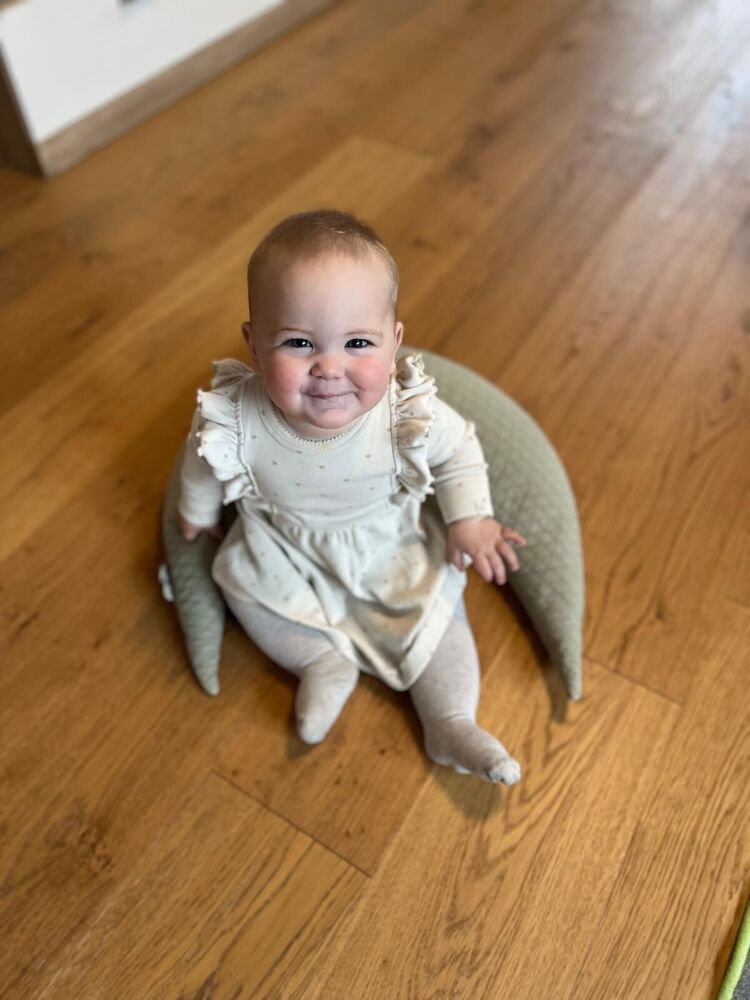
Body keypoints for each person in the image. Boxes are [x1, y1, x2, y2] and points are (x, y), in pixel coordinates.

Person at [178, 209, 525, 784]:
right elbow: (200, 465)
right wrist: (195, 511)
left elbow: (458, 447)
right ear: (255, 346)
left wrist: (470, 518)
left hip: (386, 541)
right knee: (239, 582)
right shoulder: (236, 419)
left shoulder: (404, 413)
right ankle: (319, 660)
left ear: (394, 344)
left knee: (436, 614)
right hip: (284, 544)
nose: (329, 367)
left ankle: (449, 720)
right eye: (298, 342)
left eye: (358, 342)